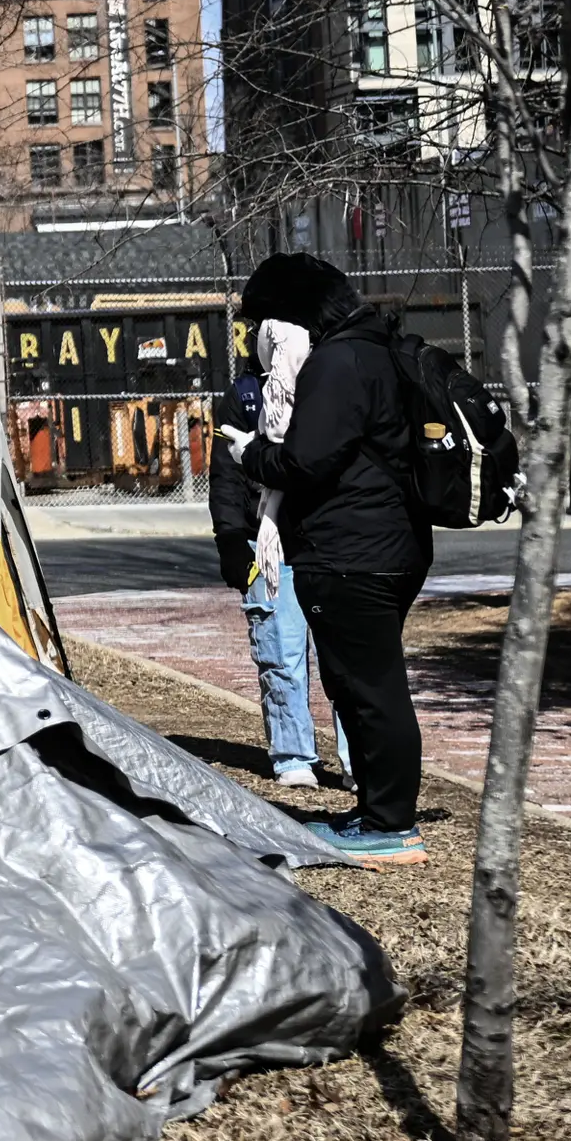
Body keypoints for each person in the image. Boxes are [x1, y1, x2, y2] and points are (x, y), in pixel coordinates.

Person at [218, 252, 429, 864]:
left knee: (370, 690)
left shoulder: (338, 363)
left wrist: (249, 456)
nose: (263, 339)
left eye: (266, 324)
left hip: (353, 554)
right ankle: (375, 813)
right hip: (380, 546)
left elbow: (304, 461)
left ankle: (390, 822)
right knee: (365, 685)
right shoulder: (372, 349)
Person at [207, 323, 330, 787]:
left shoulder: (329, 388)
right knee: (279, 650)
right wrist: (230, 538)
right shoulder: (246, 396)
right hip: (265, 539)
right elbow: (226, 473)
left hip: (325, 535)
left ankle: (360, 759)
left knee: (345, 653)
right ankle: (294, 755)